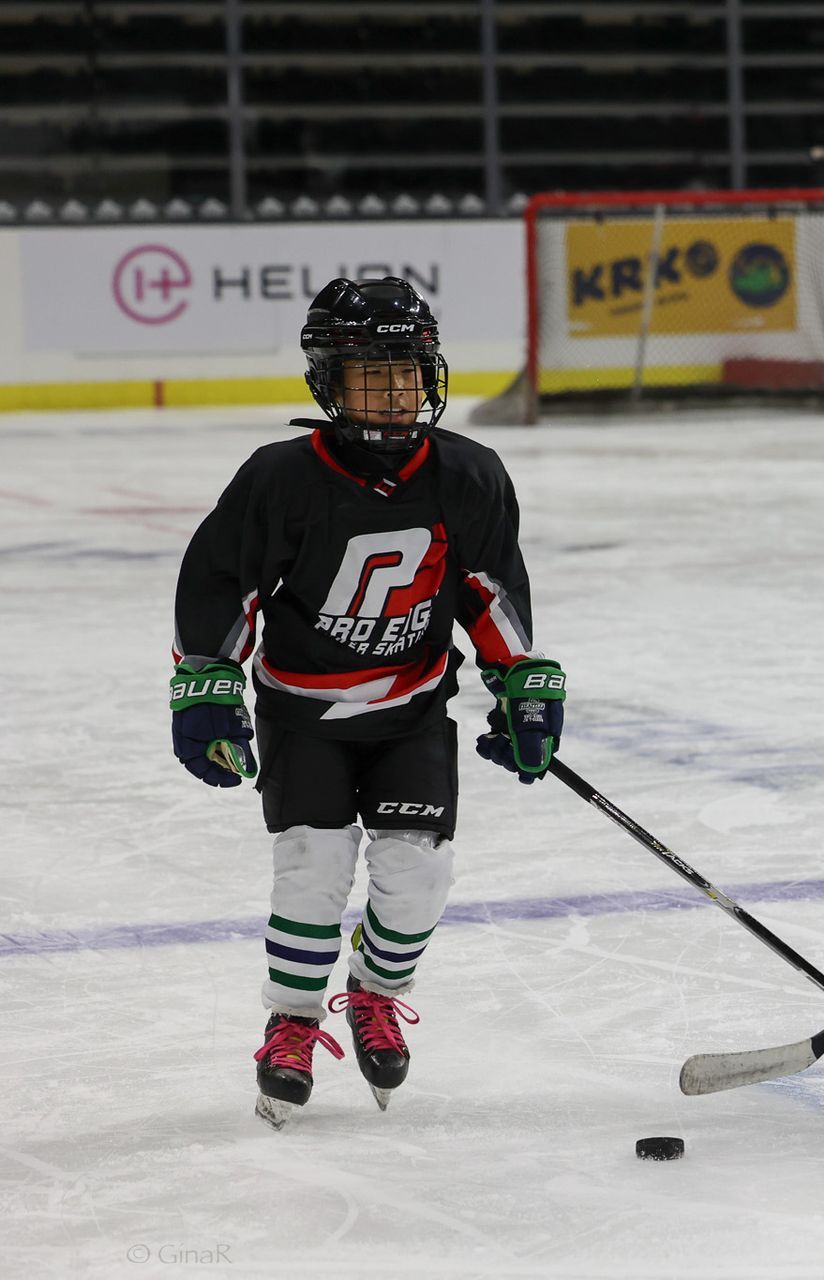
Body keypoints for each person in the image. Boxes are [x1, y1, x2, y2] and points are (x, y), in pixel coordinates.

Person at [170, 277, 567, 1129]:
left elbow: (488, 589)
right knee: (311, 868)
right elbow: (222, 583)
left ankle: (377, 992)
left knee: (418, 874)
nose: (394, 392)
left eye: (408, 371)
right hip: (302, 713)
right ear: (328, 382)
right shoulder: (284, 476)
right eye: (370, 374)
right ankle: (293, 1020)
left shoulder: (468, 472)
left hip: (411, 708)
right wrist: (207, 682)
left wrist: (521, 681)